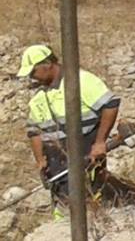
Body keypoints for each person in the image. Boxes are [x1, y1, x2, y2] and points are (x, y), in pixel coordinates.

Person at [18, 43, 121, 219]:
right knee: (63, 201)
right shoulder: (39, 97)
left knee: (89, 195)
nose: (32, 78)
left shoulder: (80, 81)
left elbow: (110, 104)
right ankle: (63, 233)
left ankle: (92, 227)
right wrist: (40, 160)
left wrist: (100, 142)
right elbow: (34, 131)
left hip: (85, 148)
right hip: (55, 159)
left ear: (47, 64)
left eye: (33, 72)